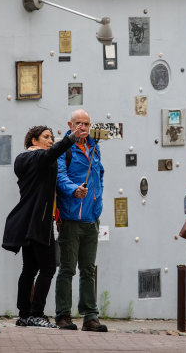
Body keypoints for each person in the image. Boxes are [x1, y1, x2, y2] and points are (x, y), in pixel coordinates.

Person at [2, 125, 86, 328]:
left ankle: (23, 314)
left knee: (29, 269)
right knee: (48, 268)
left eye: (52, 137)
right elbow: (52, 153)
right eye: (46, 137)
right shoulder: (38, 157)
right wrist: (71, 138)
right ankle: (36, 313)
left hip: (26, 222)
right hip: (40, 222)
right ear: (34, 140)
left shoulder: (22, 159)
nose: (50, 140)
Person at [54, 109, 107, 332]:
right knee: (67, 269)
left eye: (86, 123)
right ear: (70, 124)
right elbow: (60, 177)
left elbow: (100, 175)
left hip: (91, 218)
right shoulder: (64, 148)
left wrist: (97, 203)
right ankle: (63, 315)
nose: (82, 127)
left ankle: (90, 316)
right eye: (78, 123)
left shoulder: (95, 147)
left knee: (88, 269)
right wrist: (74, 190)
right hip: (70, 218)